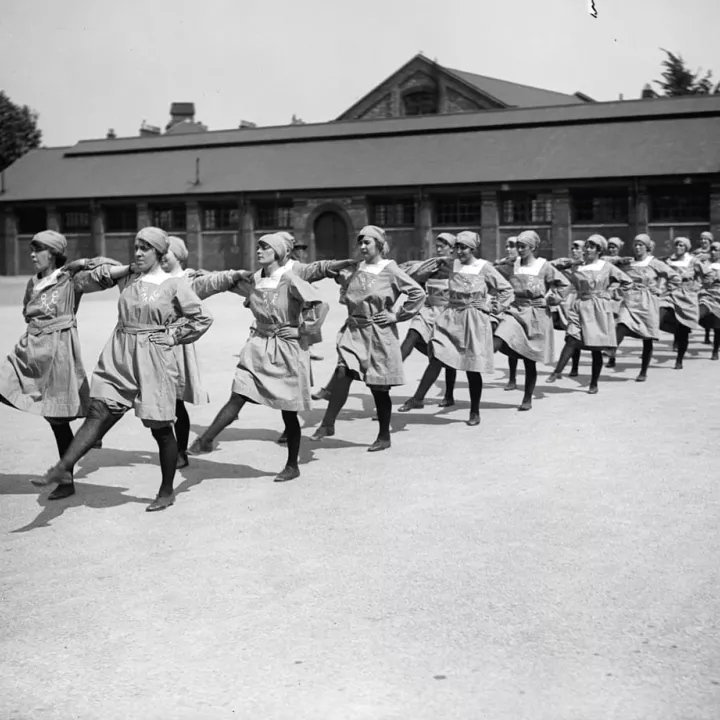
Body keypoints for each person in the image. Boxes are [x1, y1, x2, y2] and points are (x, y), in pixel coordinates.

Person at [35, 227, 213, 512]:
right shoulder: (128, 277)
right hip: (120, 353)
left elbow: (202, 318)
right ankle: (63, 467)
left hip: (154, 359)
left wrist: (173, 336)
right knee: (99, 410)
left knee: (161, 429)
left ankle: (166, 491)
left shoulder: (174, 284)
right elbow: (95, 270)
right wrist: (82, 264)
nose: (139, 253)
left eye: (146, 248)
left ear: (159, 253)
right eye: (136, 247)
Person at [188, 233, 335, 481]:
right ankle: (207, 439)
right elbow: (236, 288)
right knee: (239, 392)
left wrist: (302, 330)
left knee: (288, 411)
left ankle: (292, 465)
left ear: (278, 252)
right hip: (258, 345)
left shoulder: (290, 278)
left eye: (265, 247)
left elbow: (320, 305)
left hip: (287, 349)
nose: (259, 250)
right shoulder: (255, 279)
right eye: (258, 246)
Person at [0, 231, 122, 499]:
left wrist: (83, 263)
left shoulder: (71, 280)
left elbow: (109, 272)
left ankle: (67, 479)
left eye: (39, 249)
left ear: (53, 253)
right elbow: (26, 311)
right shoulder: (33, 282)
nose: (32, 254)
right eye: (32, 249)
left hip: (58, 354)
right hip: (30, 351)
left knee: (56, 420)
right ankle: (88, 429)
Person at [311, 225, 425, 450]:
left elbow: (417, 292)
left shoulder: (390, 269)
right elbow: (349, 296)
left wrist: (397, 315)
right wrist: (344, 284)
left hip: (378, 334)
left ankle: (384, 436)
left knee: (378, 388)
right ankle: (327, 423)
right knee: (343, 372)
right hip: (353, 331)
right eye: (360, 242)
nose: (362, 246)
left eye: (367, 242)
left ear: (380, 245)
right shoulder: (357, 268)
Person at [162, 236, 250, 467]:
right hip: (150, 345)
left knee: (176, 404)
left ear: (179, 255)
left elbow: (213, 281)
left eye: (166, 252)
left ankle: (180, 452)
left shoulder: (188, 280)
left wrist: (233, 275)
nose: (161, 256)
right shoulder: (153, 279)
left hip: (175, 346)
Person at [424, 230, 514, 426]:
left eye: (463, 247)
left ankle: (474, 411)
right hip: (452, 317)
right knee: (440, 352)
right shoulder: (452, 264)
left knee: (472, 368)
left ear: (473, 248)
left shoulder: (484, 267)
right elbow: (421, 271)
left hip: (474, 320)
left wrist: (492, 307)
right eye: (457, 247)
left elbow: (506, 289)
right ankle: (423, 397)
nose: (459, 251)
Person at [493, 230, 570, 411]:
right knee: (500, 337)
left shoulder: (544, 266)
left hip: (536, 314)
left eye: (523, 246)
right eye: (517, 246)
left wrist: (553, 298)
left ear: (533, 247)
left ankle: (527, 398)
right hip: (515, 309)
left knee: (530, 359)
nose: (519, 250)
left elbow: (563, 283)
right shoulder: (512, 264)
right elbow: (493, 276)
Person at [547, 234, 632, 393]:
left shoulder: (606, 267)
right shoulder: (577, 267)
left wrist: (612, 294)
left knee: (595, 348)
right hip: (579, 306)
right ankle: (557, 371)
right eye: (586, 246)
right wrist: (569, 263)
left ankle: (594, 383)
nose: (587, 249)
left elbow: (627, 281)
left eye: (591, 247)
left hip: (598, 309)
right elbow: (555, 271)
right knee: (571, 338)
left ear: (599, 250)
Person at [397, 232, 458, 412]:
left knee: (442, 355)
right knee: (410, 338)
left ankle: (424, 397)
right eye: (437, 246)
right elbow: (412, 279)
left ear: (453, 249)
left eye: (443, 246)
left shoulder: (458, 268)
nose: (438, 249)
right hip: (427, 310)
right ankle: (386, 381)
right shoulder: (431, 265)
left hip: (447, 315)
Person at [608, 233, 680, 381]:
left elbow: (675, 277)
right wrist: (618, 259)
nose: (638, 247)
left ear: (647, 247)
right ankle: (610, 349)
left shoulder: (654, 263)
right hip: (630, 299)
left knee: (647, 337)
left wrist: (662, 291)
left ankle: (643, 371)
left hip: (648, 302)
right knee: (622, 322)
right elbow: (605, 263)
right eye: (635, 244)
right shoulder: (628, 262)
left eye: (641, 244)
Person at [659, 237, 702, 369]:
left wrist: (697, 287)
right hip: (671, 293)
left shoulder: (693, 261)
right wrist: (660, 290)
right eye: (677, 245)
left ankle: (679, 359)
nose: (678, 247)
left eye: (682, 245)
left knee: (683, 330)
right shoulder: (669, 261)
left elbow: (704, 276)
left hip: (687, 297)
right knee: (660, 313)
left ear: (687, 248)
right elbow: (663, 277)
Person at [550, 239, 586, 377]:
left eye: (578, 248)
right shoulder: (566, 265)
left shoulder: (586, 267)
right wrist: (570, 263)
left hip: (576, 302)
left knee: (573, 335)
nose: (574, 251)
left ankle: (574, 367)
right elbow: (550, 265)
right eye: (573, 248)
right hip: (562, 303)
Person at [698, 239, 720, 360]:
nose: (713, 252)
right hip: (707, 295)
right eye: (712, 249)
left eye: (716, 249)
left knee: (717, 325)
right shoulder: (706, 264)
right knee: (700, 314)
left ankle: (715, 350)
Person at [694, 232, 714, 344]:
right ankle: (706, 334)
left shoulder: (715, 251)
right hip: (700, 285)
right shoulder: (695, 253)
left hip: (714, 284)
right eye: (701, 239)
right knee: (703, 310)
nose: (703, 241)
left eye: (706, 239)